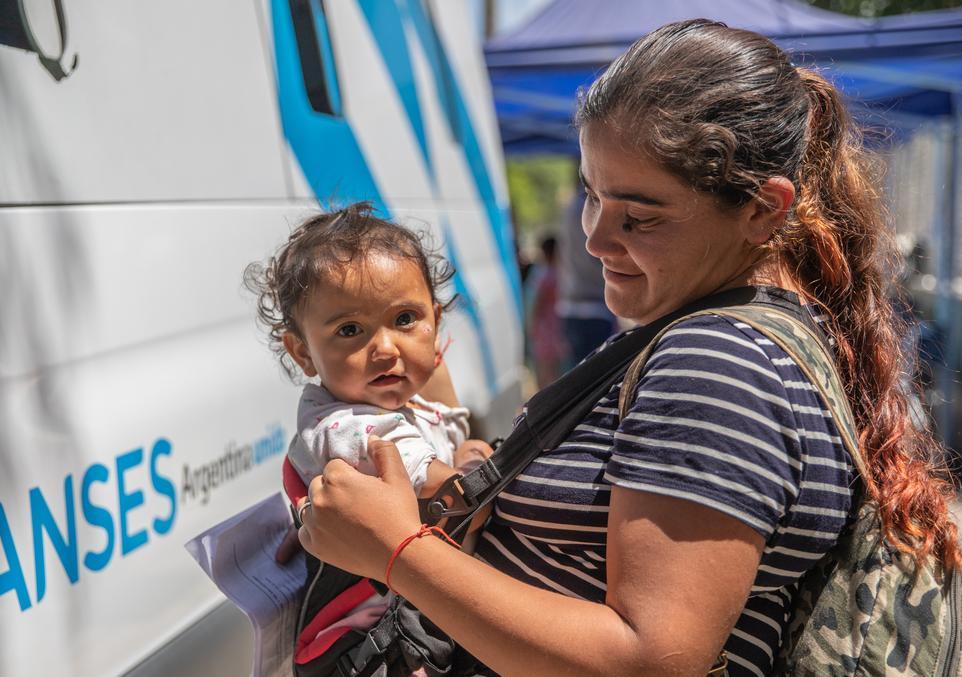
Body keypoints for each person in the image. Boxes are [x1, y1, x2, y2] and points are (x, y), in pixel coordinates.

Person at [293, 19, 961, 676]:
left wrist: (395, 549)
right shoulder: (721, 329)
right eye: (591, 194)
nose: (595, 239)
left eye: (639, 216)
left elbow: (648, 656)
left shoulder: (716, 363)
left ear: (763, 208)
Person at [245, 203, 493, 639]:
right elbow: (462, 503)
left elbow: (448, 432)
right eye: (349, 330)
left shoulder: (402, 403)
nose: (385, 349)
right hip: (387, 640)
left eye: (404, 320)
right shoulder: (346, 429)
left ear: (434, 322)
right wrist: (475, 456)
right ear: (302, 352)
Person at [556, 169, 616, 368]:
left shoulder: (571, 208)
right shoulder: (590, 208)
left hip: (571, 306)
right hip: (595, 307)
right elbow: (596, 258)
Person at [523, 236, 566, 386]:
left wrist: (531, 327)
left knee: (545, 374)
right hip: (558, 329)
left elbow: (537, 306)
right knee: (556, 373)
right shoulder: (561, 273)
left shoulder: (543, 275)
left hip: (545, 332)